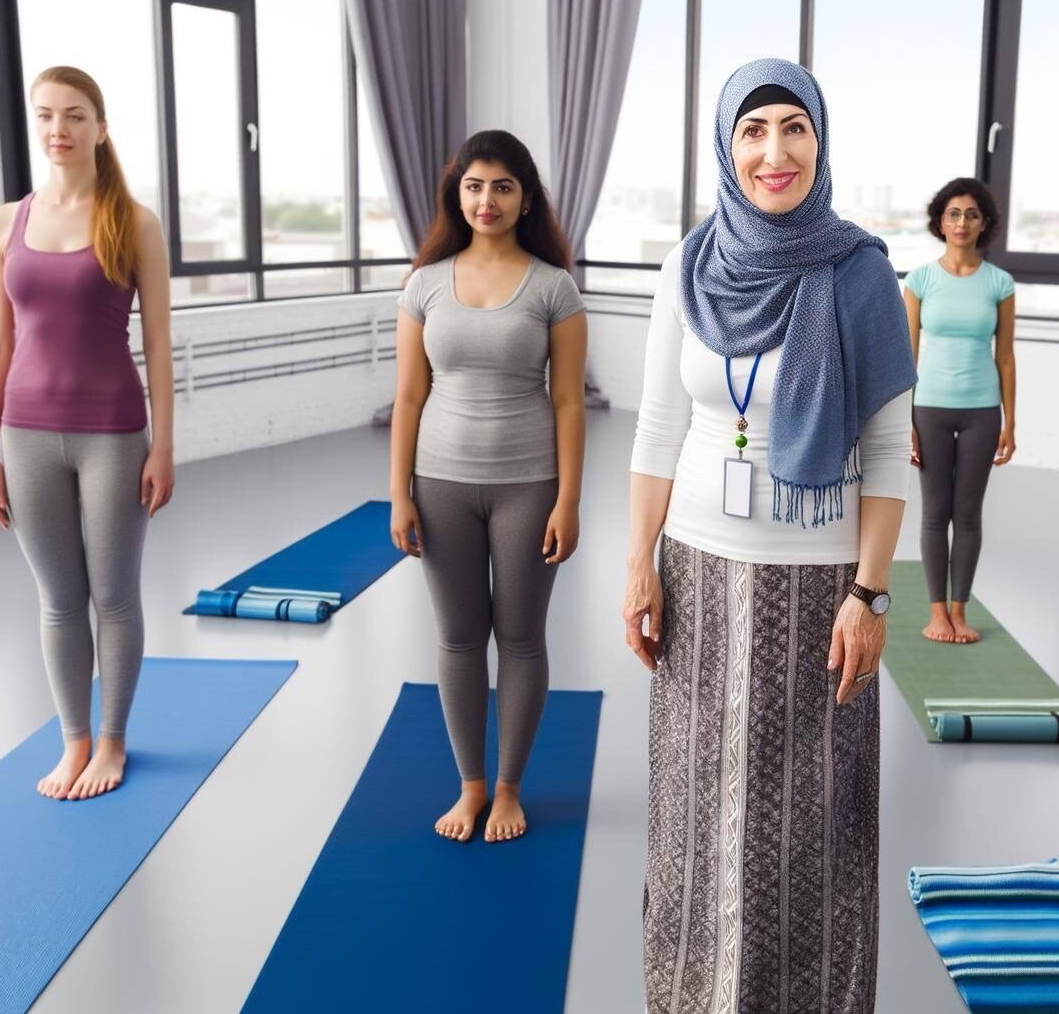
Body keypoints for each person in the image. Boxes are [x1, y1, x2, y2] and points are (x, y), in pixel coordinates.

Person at [624, 59, 916, 1013]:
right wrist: (640, 565)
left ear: (821, 142)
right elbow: (658, 429)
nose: (774, 152)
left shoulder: (862, 273)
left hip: (817, 581)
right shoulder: (690, 265)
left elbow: (884, 449)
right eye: (753, 132)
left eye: (795, 128)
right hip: (700, 571)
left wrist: (869, 596)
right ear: (725, 145)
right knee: (695, 811)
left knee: (813, 824)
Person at [0, 66, 174, 801]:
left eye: (74, 115)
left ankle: (113, 743)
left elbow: (157, 344)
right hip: (25, 436)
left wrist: (163, 447)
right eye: (46, 116)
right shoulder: (5, 224)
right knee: (58, 599)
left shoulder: (134, 222)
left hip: (114, 434)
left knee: (114, 596)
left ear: (100, 125)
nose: (58, 128)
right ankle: (75, 741)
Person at [387, 130, 588, 845]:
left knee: (522, 639)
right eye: (475, 185)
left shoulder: (553, 287)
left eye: (502, 186)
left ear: (524, 197)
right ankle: (470, 785)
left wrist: (568, 500)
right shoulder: (424, 283)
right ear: (457, 194)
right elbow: (408, 396)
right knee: (459, 639)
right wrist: (399, 493)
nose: (487, 199)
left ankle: (509, 788)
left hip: (528, 484)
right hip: (439, 483)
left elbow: (568, 401)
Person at [903, 177, 1017, 644]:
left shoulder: (1000, 283)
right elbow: (905, 355)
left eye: (971, 214)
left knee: (968, 514)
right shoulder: (921, 280)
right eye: (953, 213)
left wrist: (1011, 421)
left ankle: (959, 610)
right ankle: (936, 613)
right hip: (929, 407)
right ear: (940, 221)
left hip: (981, 411)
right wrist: (904, 420)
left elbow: (1005, 357)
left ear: (984, 222)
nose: (962, 222)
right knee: (935, 512)